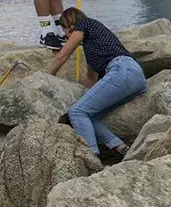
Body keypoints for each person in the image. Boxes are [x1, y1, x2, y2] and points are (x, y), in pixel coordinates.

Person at [47, 8, 145, 159]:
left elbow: (62, 56)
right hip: (134, 76)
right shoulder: (93, 45)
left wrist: (45, 78)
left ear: (73, 24)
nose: (67, 35)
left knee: (77, 112)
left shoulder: (85, 24)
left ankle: (91, 158)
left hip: (121, 69)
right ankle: (122, 148)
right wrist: (70, 88)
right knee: (89, 116)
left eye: (67, 29)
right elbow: (90, 80)